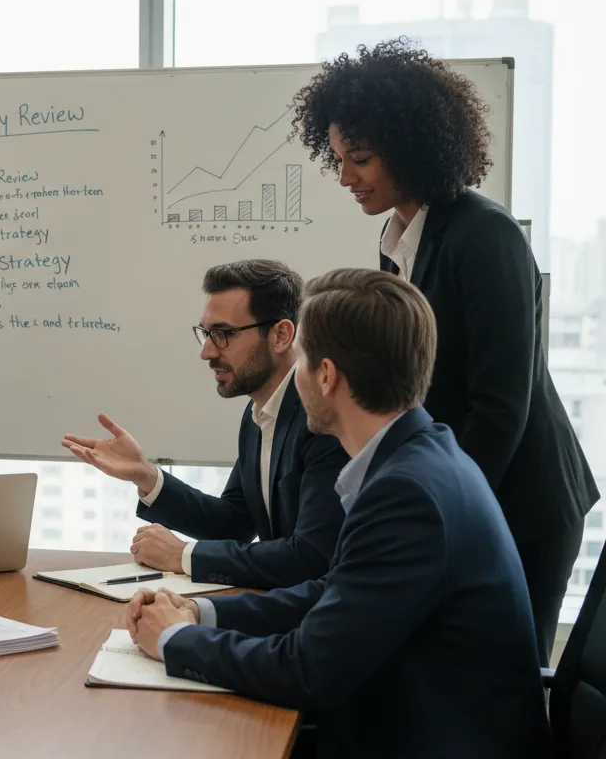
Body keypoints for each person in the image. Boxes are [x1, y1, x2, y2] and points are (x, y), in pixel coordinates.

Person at [133, 269, 550, 758]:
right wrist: (202, 612)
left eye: (302, 358)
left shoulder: (405, 495)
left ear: (326, 376)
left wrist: (176, 639)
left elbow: (307, 670)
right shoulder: (423, 455)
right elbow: (333, 592)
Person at [293, 37, 597, 663]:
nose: (345, 177)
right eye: (340, 159)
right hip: (460, 485)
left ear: (410, 147)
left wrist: (447, 509)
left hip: (521, 497)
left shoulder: (485, 235)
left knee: (502, 675)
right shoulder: (398, 239)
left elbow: (501, 405)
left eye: (360, 159)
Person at [63, 260, 348, 589]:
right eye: (206, 333)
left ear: (281, 336)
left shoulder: (324, 418)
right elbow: (235, 522)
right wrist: (147, 475)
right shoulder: (259, 412)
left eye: (223, 334)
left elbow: (312, 558)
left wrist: (184, 555)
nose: (207, 352)